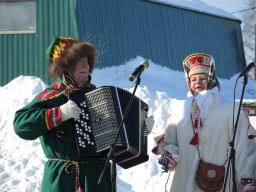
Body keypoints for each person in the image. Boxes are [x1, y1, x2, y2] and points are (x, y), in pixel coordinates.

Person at [13, 36, 155, 192]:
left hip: (99, 180)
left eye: (87, 60)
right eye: (78, 60)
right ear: (65, 66)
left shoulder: (100, 97)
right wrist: (60, 113)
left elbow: (116, 140)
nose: (85, 64)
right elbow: (21, 125)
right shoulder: (54, 95)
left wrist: (140, 131)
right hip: (66, 179)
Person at [152, 53, 256, 192]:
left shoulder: (230, 109)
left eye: (203, 78)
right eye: (193, 79)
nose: (198, 82)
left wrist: (247, 179)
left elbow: (245, 145)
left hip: (218, 182)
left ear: (211, 80)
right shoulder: (179, 111)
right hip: (184, 182)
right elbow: (169, 142)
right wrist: (170, 154)